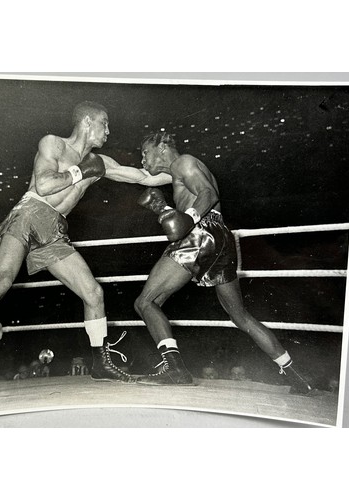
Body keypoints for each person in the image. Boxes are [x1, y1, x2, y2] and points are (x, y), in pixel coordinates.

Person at [0, 101, 171, 395]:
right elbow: (43, 186)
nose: (109, 131)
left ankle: (100, 363)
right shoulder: (53, 144)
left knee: (93, 293)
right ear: (88, 121)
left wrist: (180, 169)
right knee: (2, 280)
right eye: (105, 124)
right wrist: (79, 171)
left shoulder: (101, 162)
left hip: (54, 228)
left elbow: (144, 177)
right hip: (29, 213)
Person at [133, 132, 314, 395]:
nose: (142, 159)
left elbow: (208, 193)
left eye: (144, 152)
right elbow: (145, 178)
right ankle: (296, 375)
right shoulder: (179, 171)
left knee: (145, 302)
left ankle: (175, 369)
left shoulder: (183, 162)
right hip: (221, 238)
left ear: (162, 147)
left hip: (199, 231)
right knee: (240, 316)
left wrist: (189, 218)